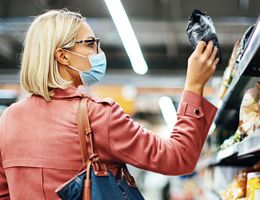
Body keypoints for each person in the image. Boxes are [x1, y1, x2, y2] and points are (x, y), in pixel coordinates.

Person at [0, 9, 218, 199]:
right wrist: (194, 86)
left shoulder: (8, 120)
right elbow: (178, 157)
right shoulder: (96, 115)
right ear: (63, 56)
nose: (99, 52)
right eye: (91, 44)